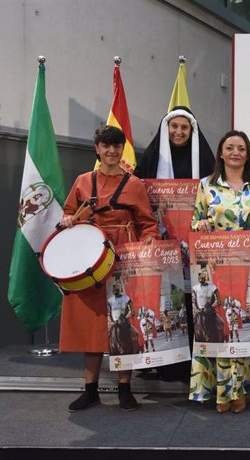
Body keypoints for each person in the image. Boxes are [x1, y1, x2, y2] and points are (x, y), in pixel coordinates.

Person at [59, 125, 160, 412]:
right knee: (91, 323)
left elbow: (147, 224)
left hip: (121, 258)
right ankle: (90, 389)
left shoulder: (134, 184)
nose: (112, 151)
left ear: (122, 150)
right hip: (88, 258)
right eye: (106, 146)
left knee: (122, 322)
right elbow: (69, 212)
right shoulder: (81, 181)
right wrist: (68, 220)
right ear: (97, 149)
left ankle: (124, 388)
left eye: (117, 146)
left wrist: (150, 240)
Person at [189, 130, 250, 413]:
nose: (235, 152)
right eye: (230, 147)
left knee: (243, 325)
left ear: (247, 153)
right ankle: (221, 392)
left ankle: (239, 391)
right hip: (215, 270)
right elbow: (195, 223)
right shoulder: (206, 186)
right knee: (218, 328)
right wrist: (200, 226)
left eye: (241, 148)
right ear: (220, 153)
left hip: (247, 268)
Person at [134, 106, 215, 382]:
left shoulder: (207, 163)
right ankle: (164, 363)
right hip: (161, 246)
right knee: (165, 302)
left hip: (197, 246)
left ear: (192, 131)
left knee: (194, 302)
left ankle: (195, 365)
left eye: (184, 127)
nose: (179, 132)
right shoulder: (148, 161)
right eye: (174, 127)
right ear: (165, 129)